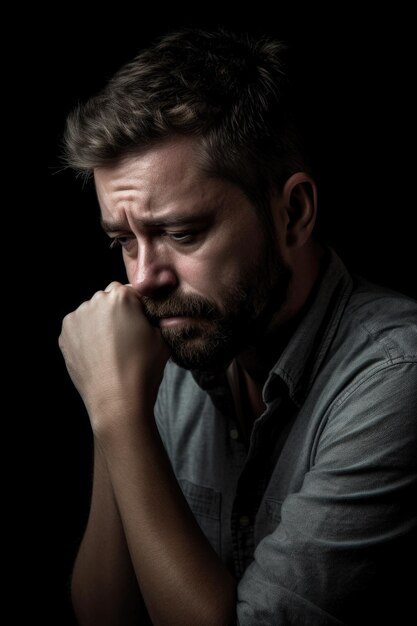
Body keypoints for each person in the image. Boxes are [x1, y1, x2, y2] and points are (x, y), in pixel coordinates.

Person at [59, 27, 417, 625]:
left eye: (182, 233)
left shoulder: (397, 381)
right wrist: (112, 407)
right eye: (124, 241)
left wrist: (120, 415)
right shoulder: (173, 347)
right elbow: (105, 615)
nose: (144, 279)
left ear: (293, 213)